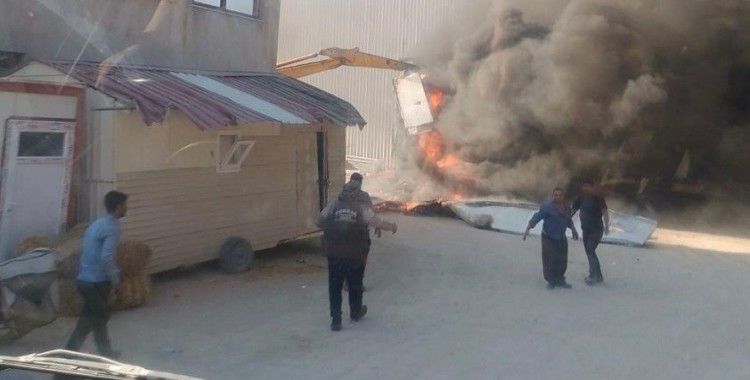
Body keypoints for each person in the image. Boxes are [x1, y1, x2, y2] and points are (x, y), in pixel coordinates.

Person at [317, 181, 397, 331]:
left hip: (334, 254)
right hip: (355, 254)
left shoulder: (333, 206)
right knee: (355, 284)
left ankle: (336, 320)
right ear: (356, 194)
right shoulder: (361, 209)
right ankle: (355, 312)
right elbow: (377, 223)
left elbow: (318, 221)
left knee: (335, 286)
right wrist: (392, 226)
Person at [65, 191, 127, 358]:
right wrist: (116, 280)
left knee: (99, 317)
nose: (126, 208)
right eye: (124, 205)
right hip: (96, 281)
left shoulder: (98, 223)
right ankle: (66, 357)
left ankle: (105, 353)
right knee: (93, 318)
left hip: (84, 278)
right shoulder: (112, 226)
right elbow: (106, 257)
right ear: (118, 207)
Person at [523, 188, 579, 289]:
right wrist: (528, 228)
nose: (557, 197)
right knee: (549, 259)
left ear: (563, 196)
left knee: (562, 260)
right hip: (548, 237)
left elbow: (568, 220)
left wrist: (574, 230)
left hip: (561, 237)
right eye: (555, 195)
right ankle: (551, 280)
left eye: (559, 195)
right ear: (553, 196)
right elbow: (537, 217)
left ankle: (560, 279)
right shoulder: (547, 207)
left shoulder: (566, 208)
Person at [572, 180, 609, 285]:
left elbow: (605, 212)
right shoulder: (580, 198)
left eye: (588, 186)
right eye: (584, 186)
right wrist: (564, 220)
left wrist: (606, 226)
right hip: (586, 229)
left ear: (592, 187)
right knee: (589, 251)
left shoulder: (598, 198)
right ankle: (597, 275)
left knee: (590, 249)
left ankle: (594, 275)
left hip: (596, 229)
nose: (586, 188)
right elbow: (573, 210)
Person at [343, 173, 373, 292]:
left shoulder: (341, 195)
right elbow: (370, 214)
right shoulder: (364, 196)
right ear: (360, 182)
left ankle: (347, 282)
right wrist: (378, 226)